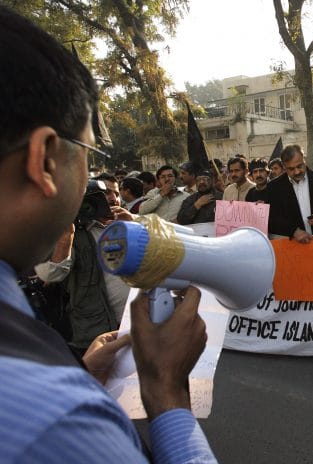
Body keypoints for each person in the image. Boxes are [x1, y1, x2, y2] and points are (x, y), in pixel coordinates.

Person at [0, 7, 215, 461]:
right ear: (43, 160)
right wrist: (166, 392)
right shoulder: (59, 420)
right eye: (87, 151)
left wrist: (84, 375)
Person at [35, 174, 133, 352]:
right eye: (103, 195)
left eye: (115, 193)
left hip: (138, 320)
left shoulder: (132, 221)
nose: (111, 198)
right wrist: (65, 239)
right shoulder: (74, 234)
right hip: (97, 330)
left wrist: (134, 228)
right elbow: (49, 275)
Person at [267, 144, 313, 242]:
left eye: (299, 166)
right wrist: (293, 231)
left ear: (304, 159)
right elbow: (272, 219)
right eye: (291, 169)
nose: (297, 172)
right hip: (293, 247)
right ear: (284, 167)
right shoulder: (274, 187)